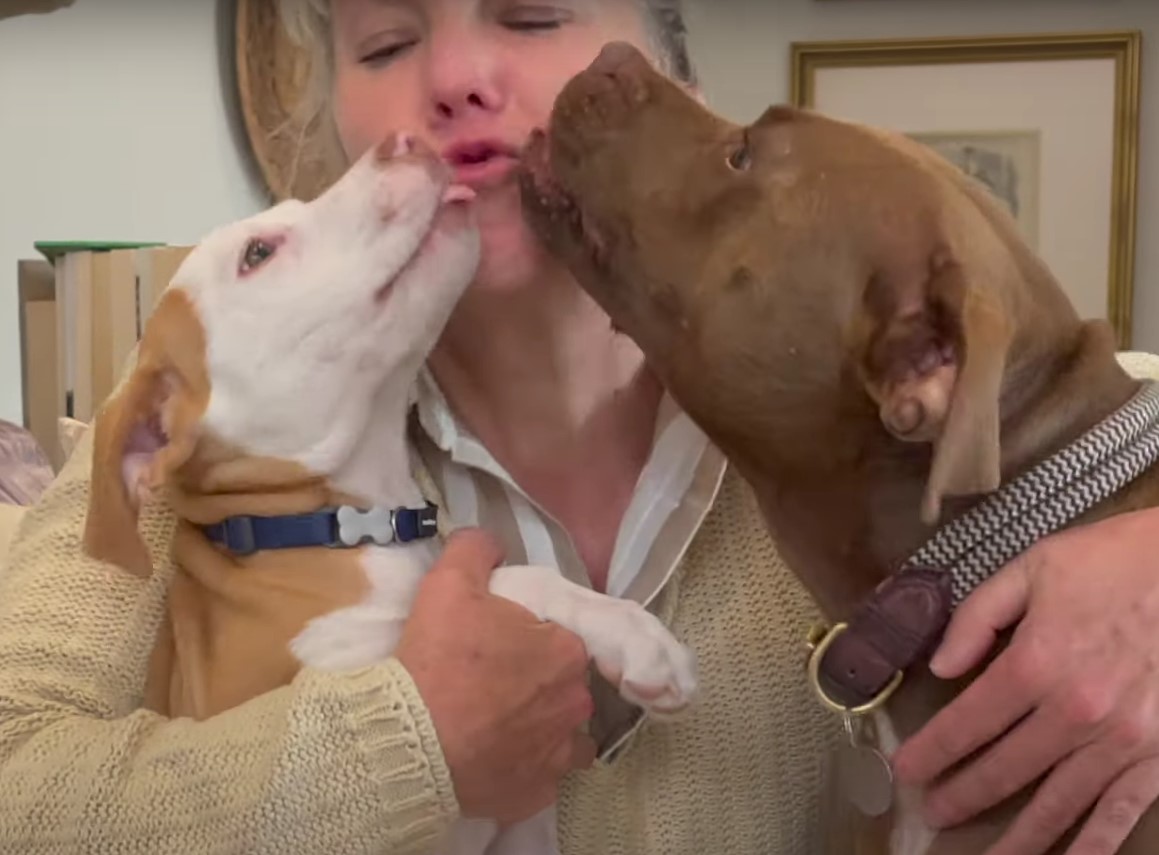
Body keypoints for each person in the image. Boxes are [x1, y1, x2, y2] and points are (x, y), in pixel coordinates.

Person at [1, 2, 1159, 853]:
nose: (454, 77)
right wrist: (405, 746)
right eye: (386, 44)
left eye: (530, 11)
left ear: (663, 65)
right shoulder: (214, 436)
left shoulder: (850, 390)